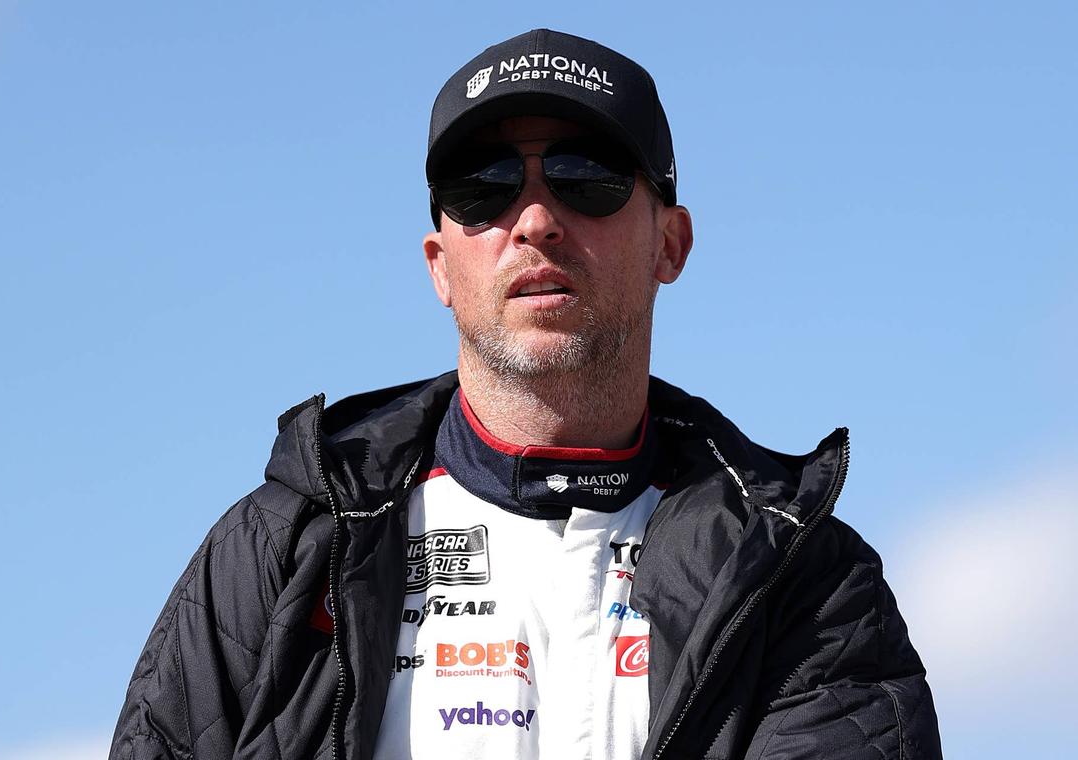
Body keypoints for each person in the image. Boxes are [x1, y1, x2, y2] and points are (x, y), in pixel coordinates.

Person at [111, 29, 941, 760]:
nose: (536, 218)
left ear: (671, 242)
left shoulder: (805, 577)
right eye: (485, 184)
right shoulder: (284, 546)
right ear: (440, 264)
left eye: (588, 175)